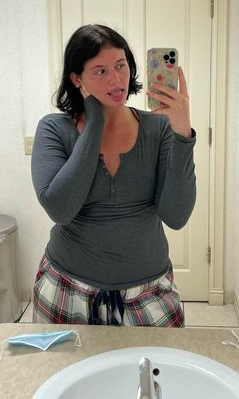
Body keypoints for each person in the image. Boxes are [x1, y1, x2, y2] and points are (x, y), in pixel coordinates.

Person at [31, 24, 196, 327]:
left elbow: (176, 215)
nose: (116, 79)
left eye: (121, 65)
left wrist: (182, 133)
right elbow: (60, 209)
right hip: (67, 289)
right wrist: (94, 121)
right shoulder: (54, 129)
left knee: (159, 361)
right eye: (100, 71)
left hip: (148, 292)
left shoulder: (158, 128)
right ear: (77, 79)